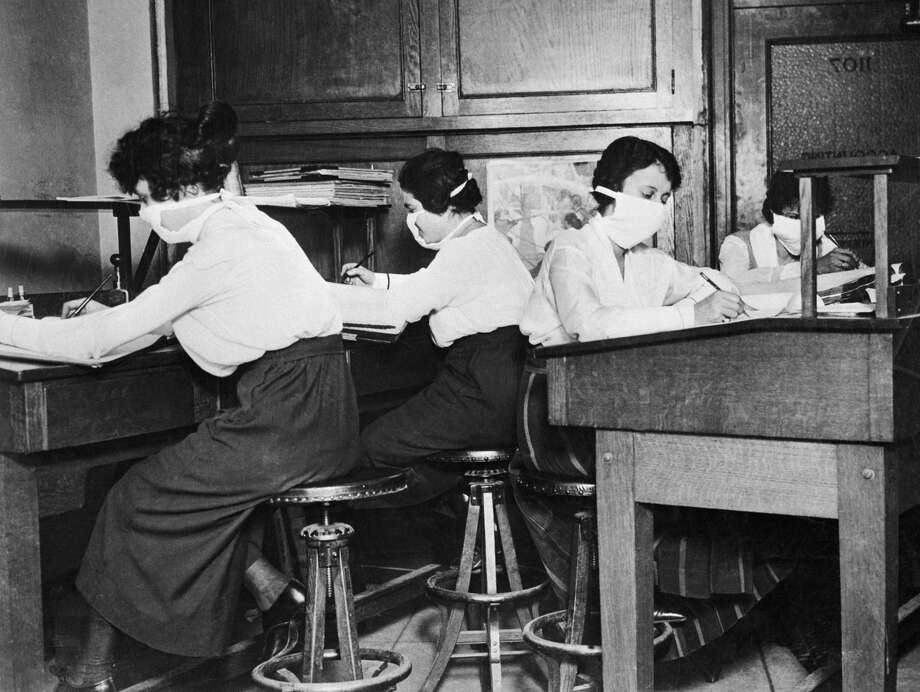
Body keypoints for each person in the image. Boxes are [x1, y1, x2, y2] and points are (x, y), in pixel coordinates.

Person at [0, 102, 361, 691]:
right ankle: (275, 592)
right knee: (181, 483)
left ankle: (89, 673)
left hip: (284, 420)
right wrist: (124, 316)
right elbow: (192, 314)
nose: (143, 213)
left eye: (143, 198)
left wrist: (7, 329)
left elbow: (96, 347)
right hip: (317, 410)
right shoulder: (250, 224)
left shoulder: (218, 245)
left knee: (131, 498)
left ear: (177, 189)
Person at [514, 136, 801, 661]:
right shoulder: (570, 249)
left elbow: (703, 281)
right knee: (685, 472)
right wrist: (690, 314)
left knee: (721, 468)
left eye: (665, 198)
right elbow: (588, 324)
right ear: (609, 189)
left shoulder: (650, 260)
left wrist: (724, 294)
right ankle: (634, 619)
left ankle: (676, 617)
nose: (657, 208)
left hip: (618, 404)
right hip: (555, 409)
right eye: (648, 192)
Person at [336, 148, 533, 507]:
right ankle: (458, 541)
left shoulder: (462, 252)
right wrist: (377, 281)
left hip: (477, 390)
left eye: (412, 209)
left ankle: (387, 550)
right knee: (421, 462)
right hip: (502, 389)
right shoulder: (486, 240)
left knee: (370, 448)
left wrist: (330, 301)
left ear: (441, 205)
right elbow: (429, 284)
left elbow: (401, 310)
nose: (411, 222)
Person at [719, 171, 860, 286]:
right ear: (773, 213)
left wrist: (852, 269)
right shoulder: (739, 244)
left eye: (813, 216)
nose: (804, 225)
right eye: (793, 217)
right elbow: (733, 284)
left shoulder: (823, 245)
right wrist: (812, 268)